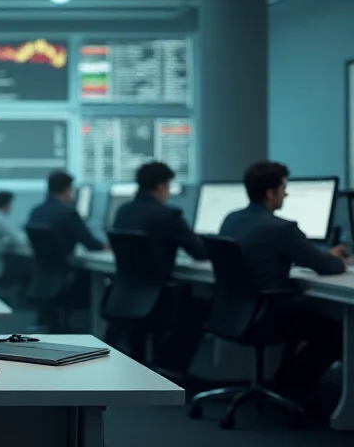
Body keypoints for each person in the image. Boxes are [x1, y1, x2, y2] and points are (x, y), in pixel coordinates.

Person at [219, 160, 346, 404]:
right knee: (336, 332)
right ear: (270, 193)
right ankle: (293, 389)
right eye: (283, 187)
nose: (286, 194)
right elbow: (326, 266)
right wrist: (335, 258)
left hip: (233, 312)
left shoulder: (231, 219)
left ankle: (285, 383)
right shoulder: (282, 228)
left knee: (305, 315)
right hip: (264, 316)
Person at [108, 161, 208, 373]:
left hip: (125, 293)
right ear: (161, 186)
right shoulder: (169, 215)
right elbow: (199, 253)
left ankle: (160, 366)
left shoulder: (123, 211)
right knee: (202, 308)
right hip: (159, 298)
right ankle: (171, 368)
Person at [26, 170, 106, 255]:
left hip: (42, 267)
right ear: (67, 190)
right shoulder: (69, 214)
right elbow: (92, 245)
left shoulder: (36, 212)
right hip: (64, 267)